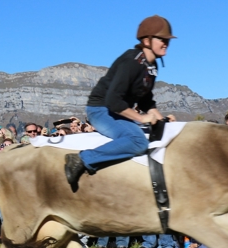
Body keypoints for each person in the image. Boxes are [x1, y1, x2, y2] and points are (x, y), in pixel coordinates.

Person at [66, 15, 176, 187]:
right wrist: (141, 118)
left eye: (167, 40)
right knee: (138, 141)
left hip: (115, 110)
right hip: (101, 109)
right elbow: (113, 101)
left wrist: (162, 119)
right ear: (147, 40)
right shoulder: (132, 61)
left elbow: (146, 99)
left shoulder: (151, 66)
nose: (165, 43)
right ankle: (81, 159)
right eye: (161, 39)